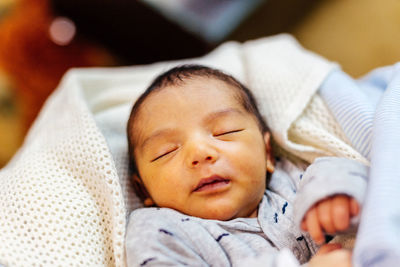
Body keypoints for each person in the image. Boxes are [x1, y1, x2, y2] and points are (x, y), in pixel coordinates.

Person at [125, 64, 368, 266]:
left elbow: (352, 171)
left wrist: (340, 195)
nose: (199, 153)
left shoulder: (293, 179)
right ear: (143, 189)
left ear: (268, 154)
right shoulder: (159, 230)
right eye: (166, 151)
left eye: (224, 132)